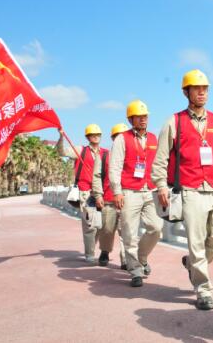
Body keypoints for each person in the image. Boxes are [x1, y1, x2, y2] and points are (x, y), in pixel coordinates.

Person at [151, 69, 213, 310]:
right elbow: (160, 159)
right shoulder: (174, 122)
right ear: (186, 92)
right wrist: (160, 184)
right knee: (196, 240)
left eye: (205, 89)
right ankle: (203, 289)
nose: (202, 92)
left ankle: (192, 263)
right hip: (189, 190)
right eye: (197, 88)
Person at [109, 100, 164, 287]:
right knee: (130, 234)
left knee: (156, 228)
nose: (143, 119)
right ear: (131, 119)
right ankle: (135, 270)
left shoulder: (154, 139)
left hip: (150, 191)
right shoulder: (121, 139)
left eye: (145, 116)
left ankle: (141, 257)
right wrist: (117, 191)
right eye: (139, 117)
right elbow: (115, 167)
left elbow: (159, 164)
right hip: (129, 191)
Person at [57, 124, 107, 263]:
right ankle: (90, 254)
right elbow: (61, 152)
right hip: (85, 193)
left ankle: (93, 249)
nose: (96, 136)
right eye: (92, 134)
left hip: (102, 194)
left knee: (101, 225)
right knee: (90, 225)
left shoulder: (105, 153)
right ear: (88, 137)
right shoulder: (79, 150)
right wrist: (61, 136)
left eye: (98, 134)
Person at [91, 123, 129, 269]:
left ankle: (126, 259)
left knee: (126, 231)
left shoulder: (133, 154)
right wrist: (98, 195)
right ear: (113, 138)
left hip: (127, 199)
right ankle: (105, 251)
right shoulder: (104, 155)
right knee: (107, 229)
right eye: (117, 136)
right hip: (108, 199)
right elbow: (96, 176)